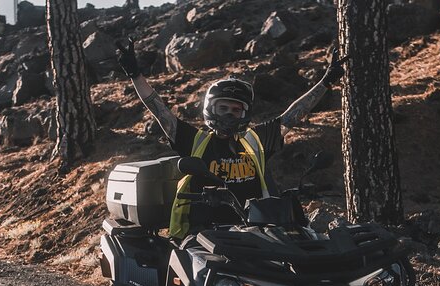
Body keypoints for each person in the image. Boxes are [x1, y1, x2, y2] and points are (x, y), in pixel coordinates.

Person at [116, 39, 346, 239]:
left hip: (256, 231)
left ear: (245, 114)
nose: (229, 114)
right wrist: (136, 75)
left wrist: (326, 81)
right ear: (210, 109)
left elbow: (294, 114)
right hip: (204, 233)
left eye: (236, 110)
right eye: (223, 107)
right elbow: (160, 111)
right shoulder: (195, 140)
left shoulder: (256, 140)